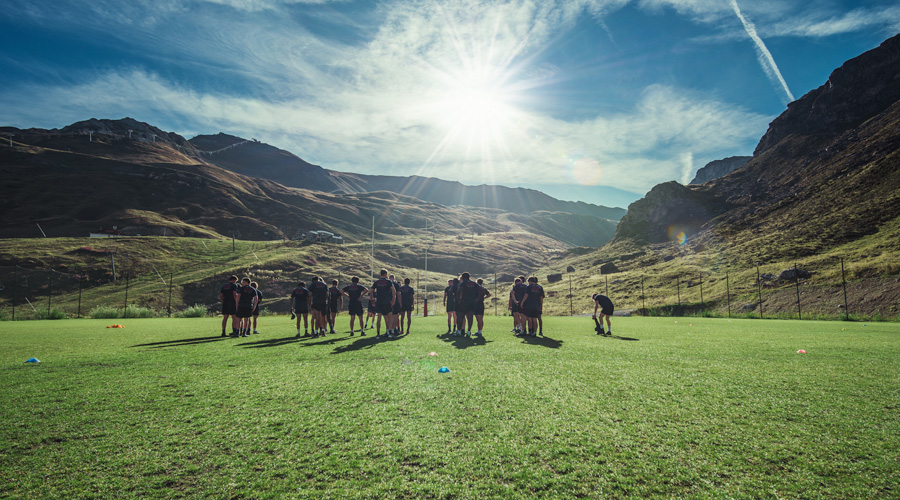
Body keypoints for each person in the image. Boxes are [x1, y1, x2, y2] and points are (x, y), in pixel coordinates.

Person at [369, 269, 397, 338]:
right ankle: (389, 333)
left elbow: (371, 291)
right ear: (385, 274)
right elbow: (393, 290)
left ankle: (378, 334)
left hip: (379, 302)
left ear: (380, 274)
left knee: (379, 318)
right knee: (390, 317)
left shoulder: (377, 282)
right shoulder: (388, 282)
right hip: (387, 301)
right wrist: (394, 298)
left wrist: (372, 299)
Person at [455, 272, 480, 337]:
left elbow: (458, 291)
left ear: (463, 277)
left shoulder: (463, 283)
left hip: (464, 302)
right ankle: (468, 331)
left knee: (461, 316)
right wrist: (477, 298)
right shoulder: (474, 283)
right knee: (470, 317)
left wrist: (458, 300)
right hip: (472, 302)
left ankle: (459, 331)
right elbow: (481, 289)